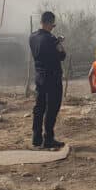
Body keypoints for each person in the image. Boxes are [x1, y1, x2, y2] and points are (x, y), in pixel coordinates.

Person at [30, 11, 67, 149]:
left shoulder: (32, 37)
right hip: (53, 78)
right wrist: (58, 42)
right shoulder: (51, 39)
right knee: (52, 108)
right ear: (50, 23)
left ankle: (36, 138)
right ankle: (49, 138)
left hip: (39, 76)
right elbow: (62, 55)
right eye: (53, 24)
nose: (53, 27)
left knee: (39, 107)